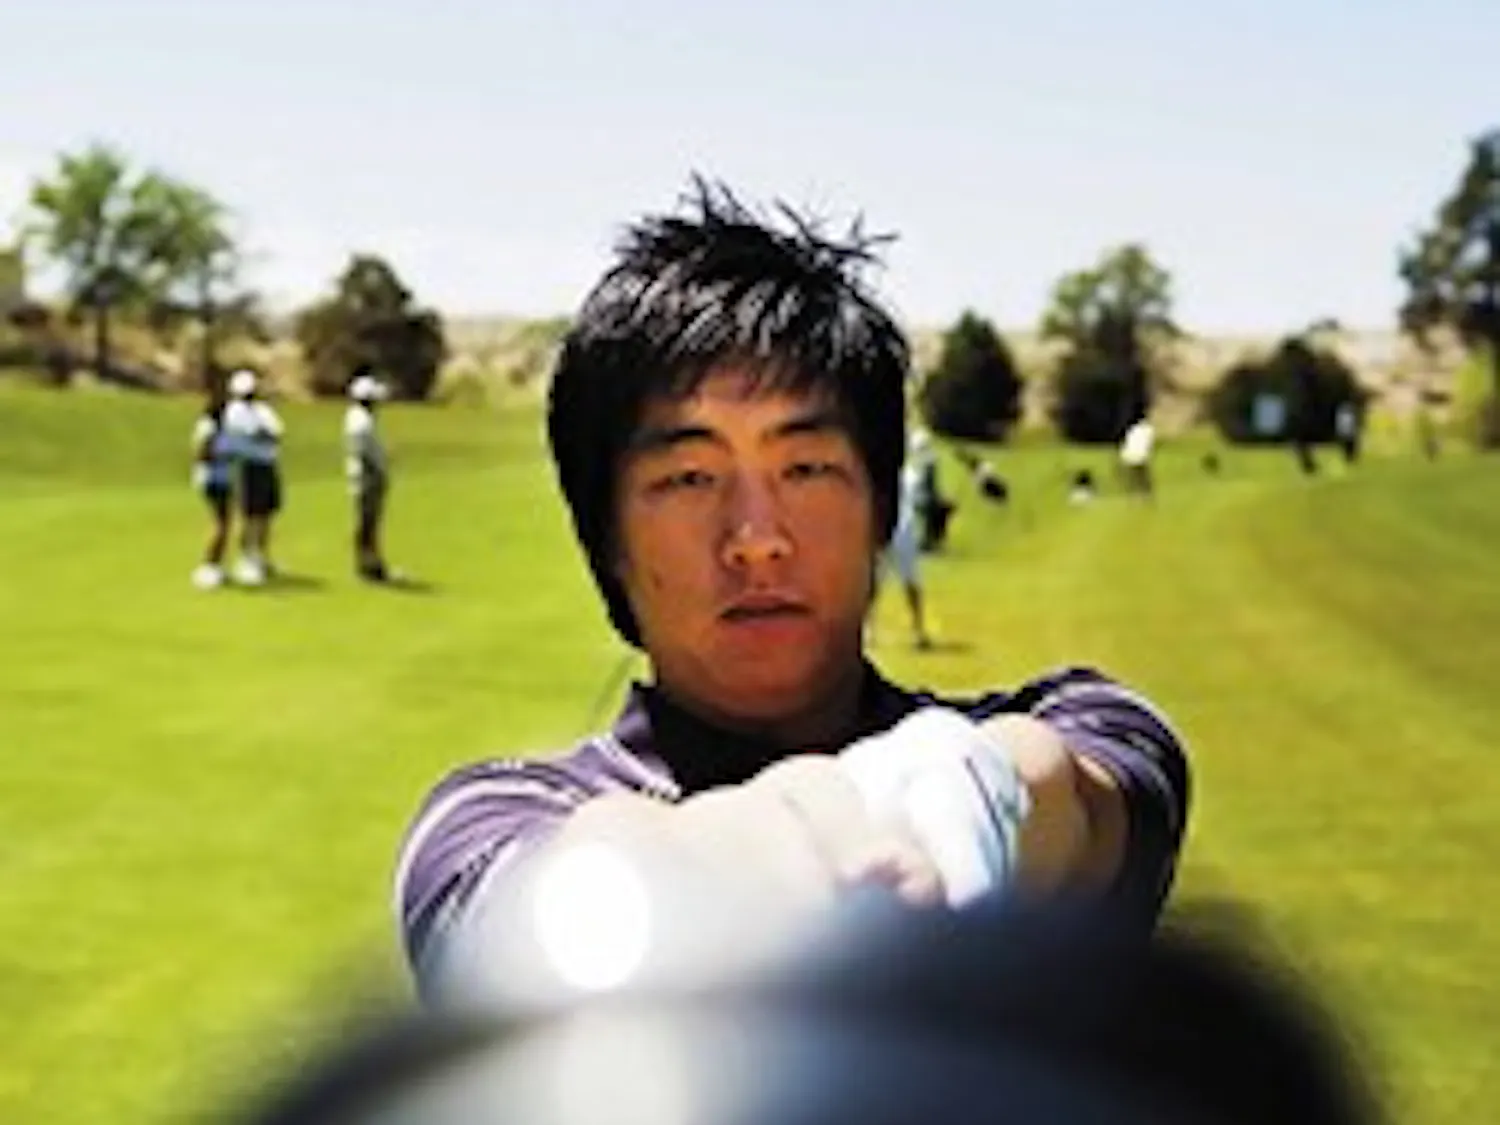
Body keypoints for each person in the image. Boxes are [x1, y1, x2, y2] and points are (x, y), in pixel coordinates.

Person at [392, 180, 1191, 1007]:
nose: (757, 537)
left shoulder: (1092, 723)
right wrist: (784, 850)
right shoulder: (484, 823)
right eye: (689, 476)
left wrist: (970, 790)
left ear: (881, 508)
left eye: (806, 468)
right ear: (606, 537)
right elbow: (538, 909)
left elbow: (1068, 792)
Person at [223, 368, 286, 584]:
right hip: (249, 466)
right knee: (249, 515)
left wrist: (264, 434)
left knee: (266, 514)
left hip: (268, 464)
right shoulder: (233, 412)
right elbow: (250, 434)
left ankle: (261, 556)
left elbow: (276, 432)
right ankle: (246, 559)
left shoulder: (263, 410)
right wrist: (262, 434)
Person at [879, 431, 936, 650]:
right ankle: (866, 630)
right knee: (874, 583)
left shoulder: (911, 476)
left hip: (902, 533)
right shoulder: (887, 475)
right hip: (890, 532)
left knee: (909, 582)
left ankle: (918, 630)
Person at [345, 368, 393, 582]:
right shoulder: (362, 422)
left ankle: (369, 561)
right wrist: (382, 468)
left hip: (362, 476)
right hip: (367, 478)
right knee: (368, 522)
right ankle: (368, 563)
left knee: (368, 522)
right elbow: (370, 454)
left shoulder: (356, 417)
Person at [189, 380, 236, 589]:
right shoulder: (209, 427)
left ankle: (216, 564)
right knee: (221, 523)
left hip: (224, 477)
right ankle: (209, 565)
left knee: (226, 523)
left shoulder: (224, 428)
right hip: (212, 478)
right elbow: (202, 453)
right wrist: (222, 454)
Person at [1118, 415, 1155, 499]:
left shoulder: (1133, 429)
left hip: (1131, 456)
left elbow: (1127, 442)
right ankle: (1144, 493)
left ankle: (1138, 493)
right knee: (1141, 475)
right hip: (1139, 455)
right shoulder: (1148, 429)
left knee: (1135, 475)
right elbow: (1148, 443)